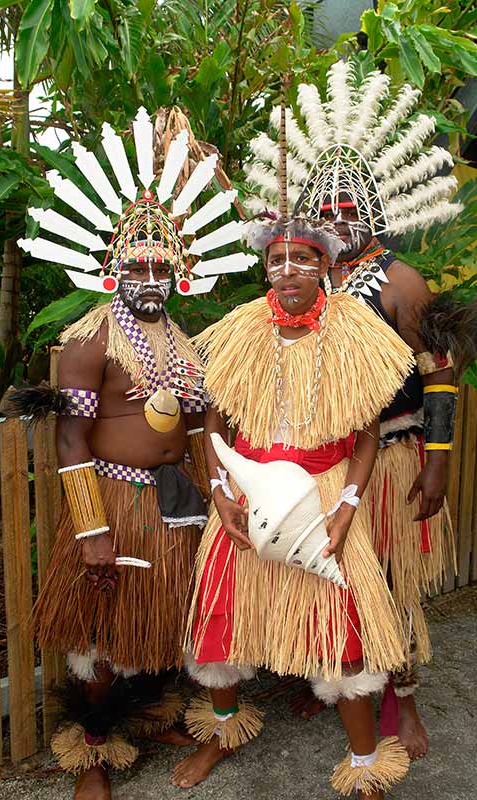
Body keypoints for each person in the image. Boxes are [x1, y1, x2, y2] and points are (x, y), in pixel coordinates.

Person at [245, 59, 477, 761]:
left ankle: (405, 701)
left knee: (388, 584)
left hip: (388, 457)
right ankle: (334, 675)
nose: (336, 221)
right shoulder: (306, 279)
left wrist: (437, 464)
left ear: (373, 213)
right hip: (316, 461)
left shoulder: (399, 280)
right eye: (323, 213)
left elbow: (441, 374)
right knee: (322, 576)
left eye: (346, 211)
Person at [9, 108, 249, 800]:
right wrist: (90, 529)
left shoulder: (183, 342)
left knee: (162, 616)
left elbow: (202, 430)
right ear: (113, 270)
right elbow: (69, 437)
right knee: (100, 628)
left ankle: (146, 717)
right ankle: (92, 755)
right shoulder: (90, 339)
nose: (149, 279)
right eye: (136, 267)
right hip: (112, 499)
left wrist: (220, 494)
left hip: (175, 498)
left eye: (160, 268)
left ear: (179, 273)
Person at [172, 207, 416, 798]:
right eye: (277, 260)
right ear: (265, 270)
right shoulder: (241, 328)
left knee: (344, 627)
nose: (288, 270)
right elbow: (215, 417)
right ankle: (223, 732)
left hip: (324, 492)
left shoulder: (356, 332)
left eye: (303, 259)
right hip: (246, 493)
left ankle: (364, 763)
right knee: (221, 617)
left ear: (325, 266)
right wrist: (222, 490)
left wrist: (348, 504)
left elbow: (365, 434)